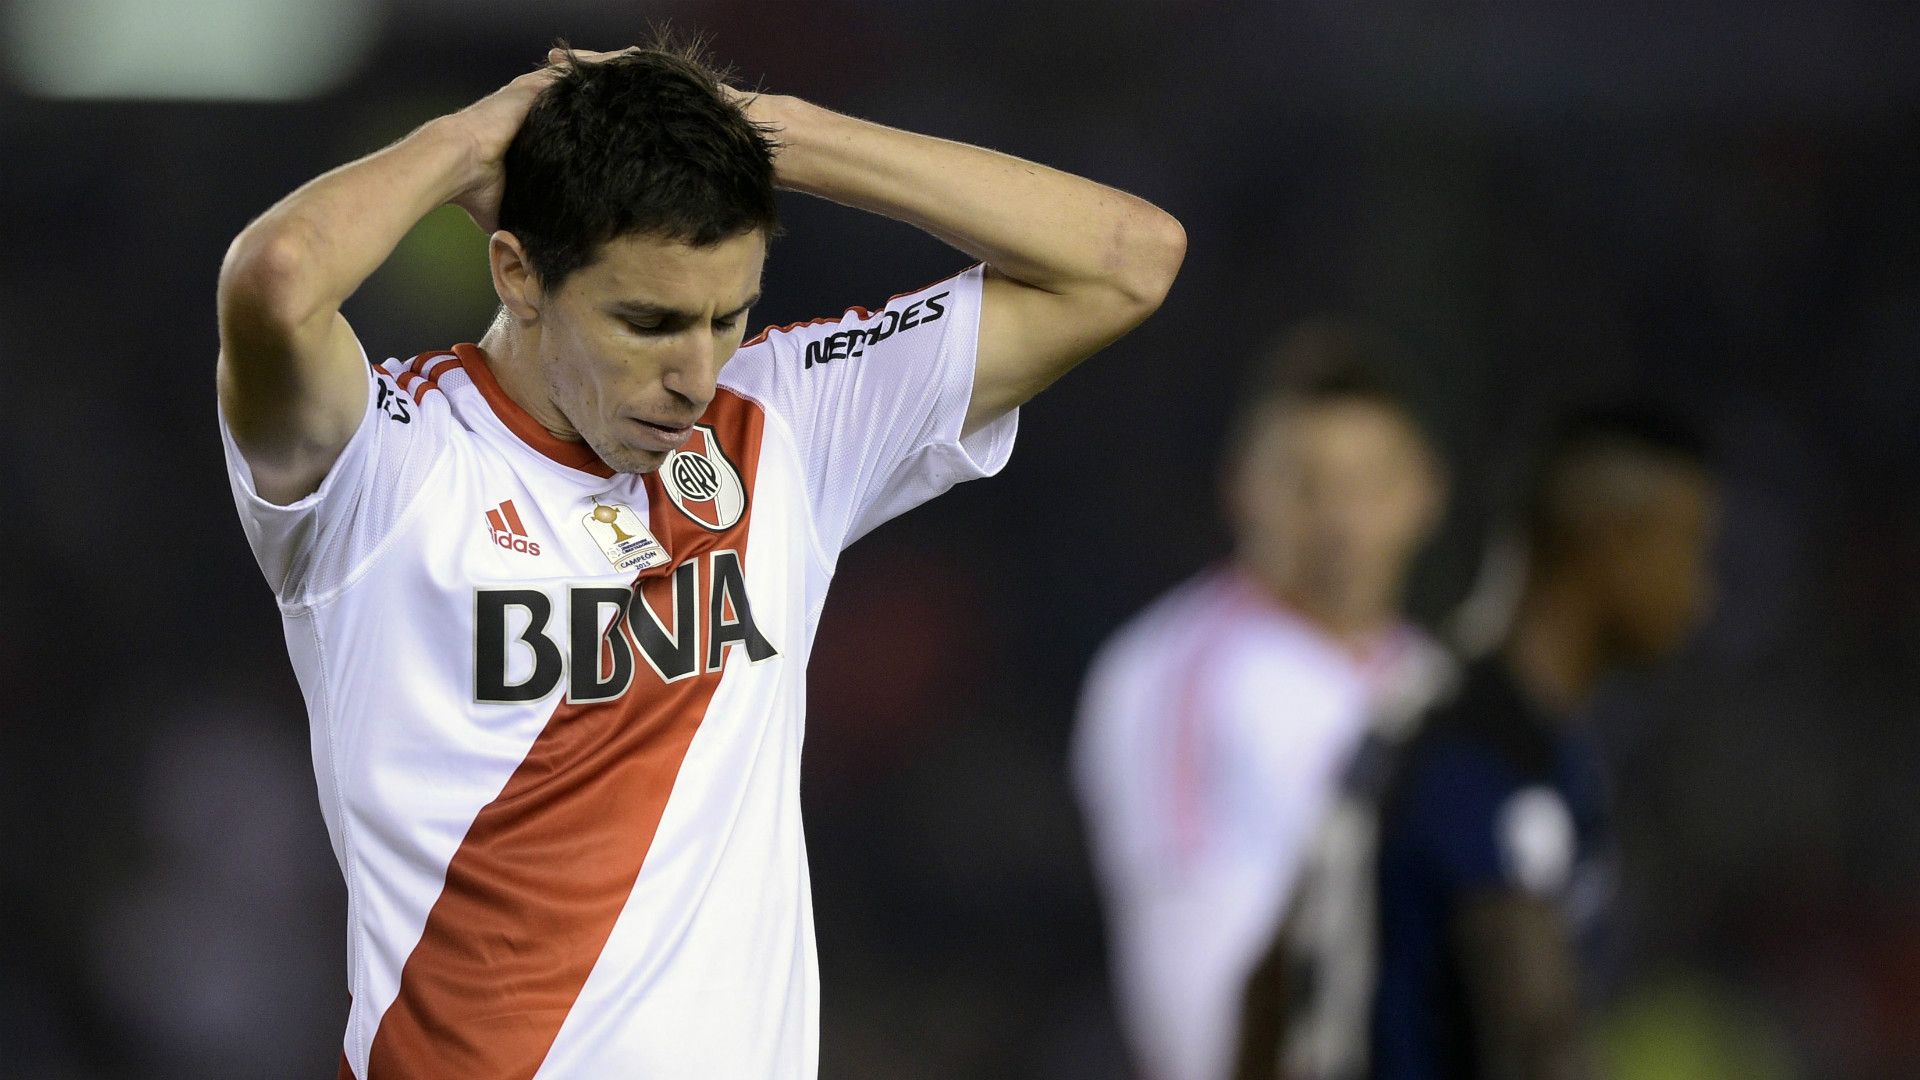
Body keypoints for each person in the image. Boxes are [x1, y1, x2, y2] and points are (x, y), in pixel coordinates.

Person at [213, 38, 1183, 1080]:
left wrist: (775, 133)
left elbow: (1129, 256)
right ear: (519, 274)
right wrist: (468, 142)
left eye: (729, 317)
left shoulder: (783, 426)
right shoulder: (384, 469)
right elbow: (275, 282)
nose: (692, 373)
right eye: (648, 321)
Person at [1233, 407, 1719, 1080]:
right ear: (1611, 544)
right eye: (1687, 545)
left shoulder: (1416, 717)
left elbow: (1268, 989)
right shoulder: (1488, 759)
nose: (1700, 594)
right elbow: (1539, 1040)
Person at [1072, 321, 1452, 1080]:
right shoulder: (1178, 680)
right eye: (1306, 484)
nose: (1341, 521)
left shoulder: (1441, 685)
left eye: (1369, 484)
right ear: (1243, 487)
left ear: (1423, 494)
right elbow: (1194, 995)